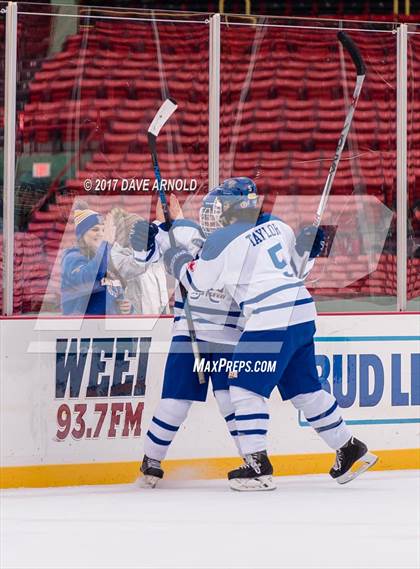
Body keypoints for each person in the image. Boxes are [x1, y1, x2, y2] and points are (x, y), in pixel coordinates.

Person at [164, 177, 378, 491]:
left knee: (244, 388)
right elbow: (299, 271)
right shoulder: (279, 225)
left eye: (221, 207)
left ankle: (257, 465)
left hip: (269, 318)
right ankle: (349, 448)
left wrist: (176, 259)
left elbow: (198, 284)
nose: (214, 214)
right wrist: (310, 249)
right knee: (306, 391)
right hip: (302, 313)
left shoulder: (219, 241)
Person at [129, 194, 244, 488]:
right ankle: (151, 460)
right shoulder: (180, 232)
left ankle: (252, 459)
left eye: (172, 202)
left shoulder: (244, 239)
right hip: (188, 329)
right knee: (175, 402)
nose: (167, 206)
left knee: (230, 400)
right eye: (162, 202)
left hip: (229, 333)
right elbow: (144, 258)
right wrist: (143, 239)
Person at [61, 202, 131, 315]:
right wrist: (106, 244)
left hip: (107, 330)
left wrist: (126, 307)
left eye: (103, 230)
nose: (101, 234)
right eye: (95, 230)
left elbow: (116, 293)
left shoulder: (105, 257)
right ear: (82, 234)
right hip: (84, 330)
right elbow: (91, 277)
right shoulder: (72, 258)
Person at [110, 207, 169, 314]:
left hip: (160, 323)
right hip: (137, 324)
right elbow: (135, 266)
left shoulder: (153, 256)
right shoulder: (120, 257)